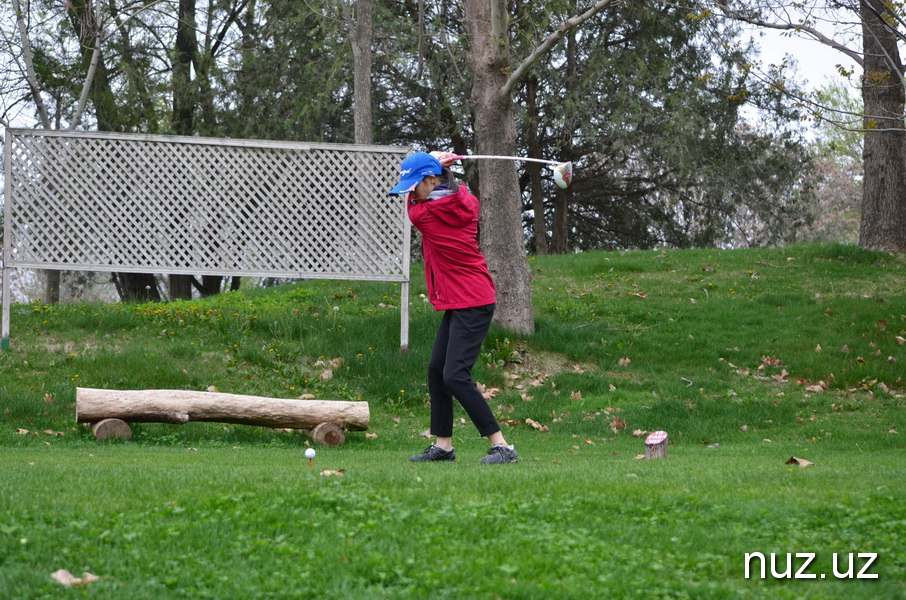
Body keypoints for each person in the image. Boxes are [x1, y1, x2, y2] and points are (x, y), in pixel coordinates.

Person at [388, 151, 518, 464]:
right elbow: (456, 195)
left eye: (412, 185)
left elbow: (413, 211)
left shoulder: (428, 215)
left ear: (432, 181)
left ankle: (502, 446)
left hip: (472, 300)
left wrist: (434, 162)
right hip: (463, 299)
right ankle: (443, 446)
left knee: (455, 375)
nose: (408, 193)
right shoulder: (461, 202)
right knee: (437, 370)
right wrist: (437, 167)